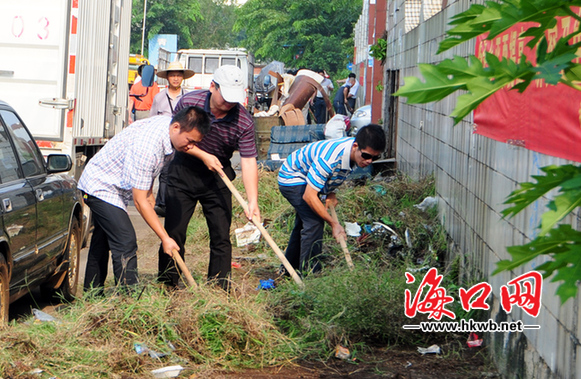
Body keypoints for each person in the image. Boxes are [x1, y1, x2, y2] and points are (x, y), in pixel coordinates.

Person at [79, 107, 211, 295]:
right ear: (176, 127)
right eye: (189, 141)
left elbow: (146, 186)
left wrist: (149, 196)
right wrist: (165, 238)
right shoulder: (148, 146)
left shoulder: (168, 132)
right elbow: (140, 202)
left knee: (103, 240)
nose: (190, 147)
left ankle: (92, 296)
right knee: (125, 241)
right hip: (100, 186)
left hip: (115, 186)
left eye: (195, 143)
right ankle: (129, 303)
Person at [157, 65, 261, 290]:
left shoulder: (243, 121)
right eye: (225, 97)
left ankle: (219, 288)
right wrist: (203, 155)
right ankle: (169, 285)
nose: (229, 104)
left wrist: (252, 200)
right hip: (184, 168)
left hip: (218, 175)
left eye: (234, 98)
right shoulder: (189, 103)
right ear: (212, 86)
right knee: (174, 231)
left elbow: (248, 160)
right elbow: (176, 137)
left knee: (221, 234)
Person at [278, 124, 386, 274]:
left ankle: (289, 268)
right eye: (367, 156)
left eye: (375, 158)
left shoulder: (354, 155)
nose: (369, 161)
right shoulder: (331, 158)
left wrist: (331, 192)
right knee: (314, 222)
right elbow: (309, 196)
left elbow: (334, 176)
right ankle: (311, 275)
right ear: (355, 146)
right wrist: (334, 223)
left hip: (307, 177)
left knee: (305, 221)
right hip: (292, 177)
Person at [149, 61, 195, 217]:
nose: (175, 78)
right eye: (172, 75)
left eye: (178, 75)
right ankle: (161, 204)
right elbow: (152, 120)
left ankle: (178, 203)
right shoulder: (159, 98)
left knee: (181, 171)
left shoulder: (188, 96)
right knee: (164, 171)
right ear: (167, 78)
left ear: (182, 78)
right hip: (163, 140)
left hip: (182, 140)